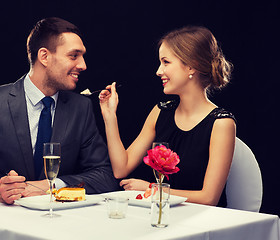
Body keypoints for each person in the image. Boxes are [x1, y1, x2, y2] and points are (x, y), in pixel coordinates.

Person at [0, 17, 119, 205]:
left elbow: (104, 175)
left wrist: (51, 186)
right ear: (44, 56)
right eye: (74, 56)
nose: (83, 65)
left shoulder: (81, 107)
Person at [99, 26, 236, 206]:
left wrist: (152, 188)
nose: (158, 71)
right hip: (161, 215)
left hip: (201, 222)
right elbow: (121, 169)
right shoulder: (160, 111)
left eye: (166, 62)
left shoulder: (221, 123)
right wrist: (110, 117)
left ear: (191, 66)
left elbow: (208, 198)